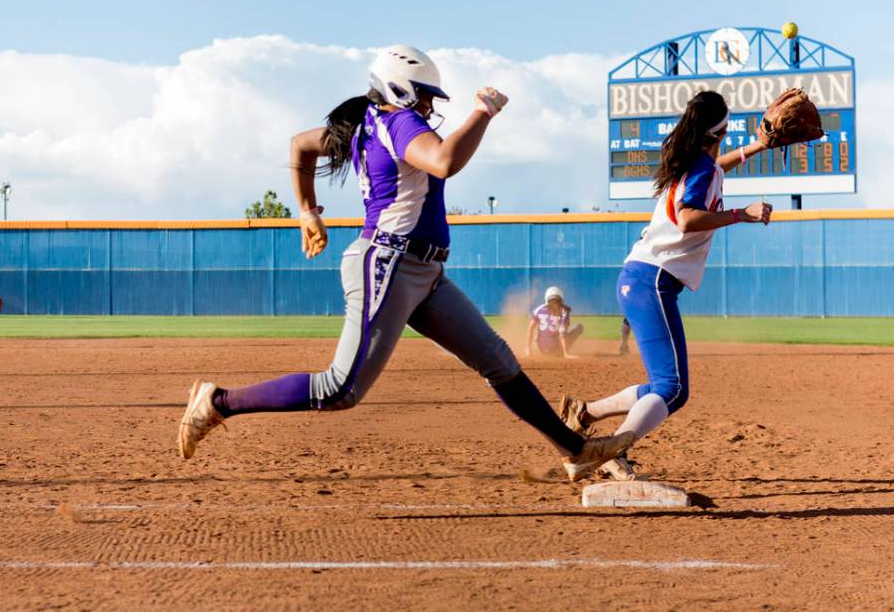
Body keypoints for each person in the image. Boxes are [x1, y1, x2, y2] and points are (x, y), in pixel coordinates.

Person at [178, 44, 632, 480]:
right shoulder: (398, 124)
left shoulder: (368, 124)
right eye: (426, 95)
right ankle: (218, 402)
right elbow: (444, 161)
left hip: (423, 272)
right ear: (400, 89)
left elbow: (300, 145)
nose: (431, 106)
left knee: (498, 361)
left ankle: (576, 452)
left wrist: (308, 212)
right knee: (339, 389)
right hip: (389, 265)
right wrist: (484, 111)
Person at [559, 90, 773, 481]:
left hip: (640, 278)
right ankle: (607, 450)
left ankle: (585, 412)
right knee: (673, 389)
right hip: (653, 281)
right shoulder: (701, 170)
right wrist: (743, 214)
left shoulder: (696, 163)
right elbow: (688, 219)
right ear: (722, 130)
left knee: (662, 383)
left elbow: (717, 169)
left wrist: (757, 146)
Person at [525, 286, 583, 358]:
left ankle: (534, 349)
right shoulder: (563, 311)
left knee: (538, 334)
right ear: (561, 299)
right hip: (557, 350)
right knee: (579, 327)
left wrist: (528, 349)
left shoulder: (538, 309)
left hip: (541, 349)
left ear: (546, 298)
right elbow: (562, 333)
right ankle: (563, 351)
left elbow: (530, 329)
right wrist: (566, 353)